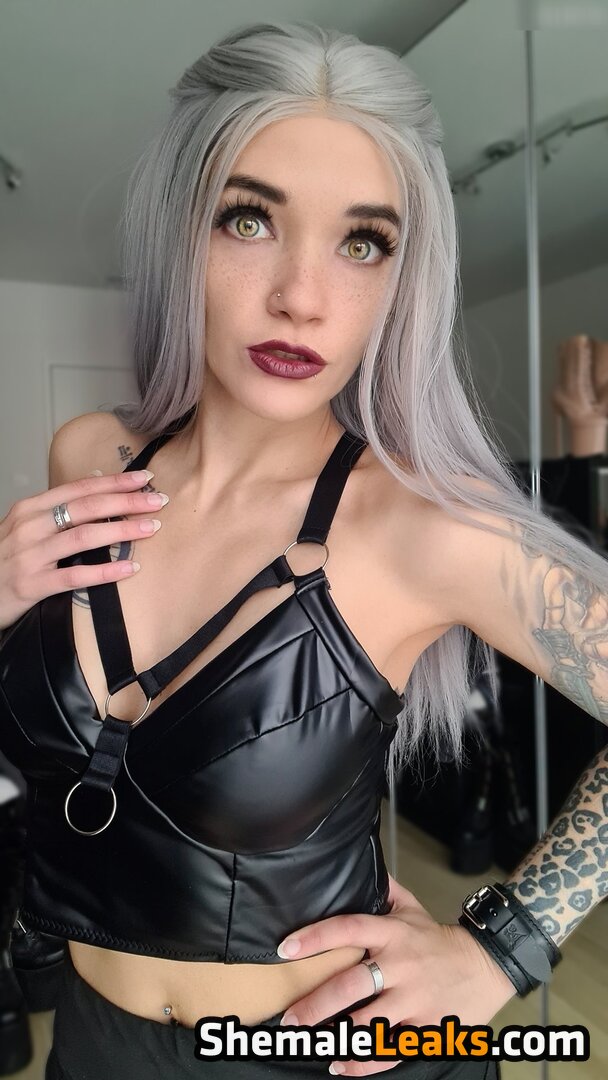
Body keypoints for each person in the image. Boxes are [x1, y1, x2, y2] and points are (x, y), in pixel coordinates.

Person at [0, 19, 606, 1080]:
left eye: (361, 243)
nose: (301, 296)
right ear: (179, 229)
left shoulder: (420, 528)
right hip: (93, 1045)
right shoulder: (89, 458)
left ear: (402, 277)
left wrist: (502, 948)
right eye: (248, 220)